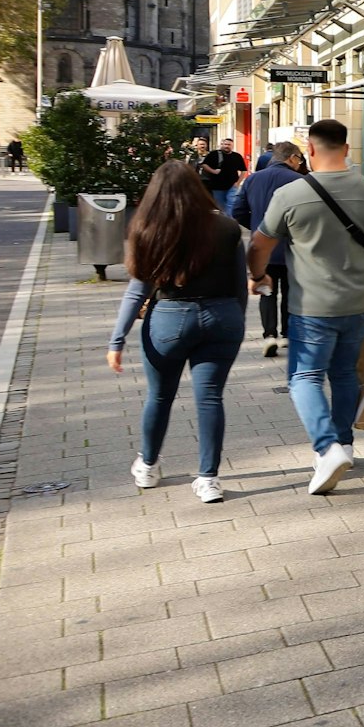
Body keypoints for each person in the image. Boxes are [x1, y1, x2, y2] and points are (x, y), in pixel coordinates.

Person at [248, 119, 364, 496]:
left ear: (309, 149)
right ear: (347, 148)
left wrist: (258, 276)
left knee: (304, 377)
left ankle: (327, 447)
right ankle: (346, 442)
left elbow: (259, 244)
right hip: (359, 302)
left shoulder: (290, 195)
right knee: (344, 374)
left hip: (311, 306)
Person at [107, 161, 247, 504]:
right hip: (221, 317)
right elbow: (239, 286)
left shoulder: (148, 230)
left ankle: (149, 466)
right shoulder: (227, 228)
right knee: (210, 397)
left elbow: (137, 292)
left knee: (159, 396)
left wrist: (117, 340)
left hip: (168, 320)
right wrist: (234, 321)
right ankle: (208, 479)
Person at [233, 141, 307, 357]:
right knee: (291, 292)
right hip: (292, 247)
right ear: (292, 157)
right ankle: (286, 334)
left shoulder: (253, 179)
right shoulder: (301, 181)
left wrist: (259, 227)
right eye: (299, 159)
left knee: (267, 291)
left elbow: (237, 211)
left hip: (262, 247)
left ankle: (269, 335)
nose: (299, 164)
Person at [200, 138, 250, 232]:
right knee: (221, 206)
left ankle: (230, 224)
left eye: (229, 145)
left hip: (232, 185)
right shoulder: (214, 154)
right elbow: (204, 165)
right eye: (225, 144)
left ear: (232, 146)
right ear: (221, 145)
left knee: (231, 204)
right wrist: (213, 171)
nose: (226, 146)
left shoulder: (237, 156)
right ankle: (224, 223)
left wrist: (238, 182)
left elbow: (243, 170)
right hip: (217, 186)